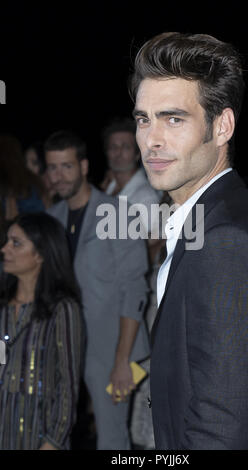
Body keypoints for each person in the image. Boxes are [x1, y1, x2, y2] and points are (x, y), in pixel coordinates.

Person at [129, 32, 248, 449]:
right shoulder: (212, 223)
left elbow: (222, 430)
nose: (152, 139)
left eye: (173, 119)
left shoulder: (228, 244)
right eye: (143, 119)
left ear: (221, 126)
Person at [45, 130, 150, 450]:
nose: (59, 176)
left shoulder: (119, 214)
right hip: (67, 346)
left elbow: (133, 290)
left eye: (67, 166)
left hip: (116, 349)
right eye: (52, 168)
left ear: (84, 166)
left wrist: (121, 362)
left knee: (112, 439)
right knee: (56, 431)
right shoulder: (52, 218)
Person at [0, 212, 84, 450]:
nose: (5, 249)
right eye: (7, 241)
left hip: (41, 431)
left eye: (16, 243)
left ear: (41, 254)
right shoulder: (4, 308)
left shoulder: (63, 310)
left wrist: (53, 442)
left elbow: (68, 385)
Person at [100, 118, 162, 244]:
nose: (118, 152)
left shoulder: (146, 196)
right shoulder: (107, 188)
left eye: (126, 147)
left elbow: (149, 246)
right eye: (113, 147)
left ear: (137, 154)